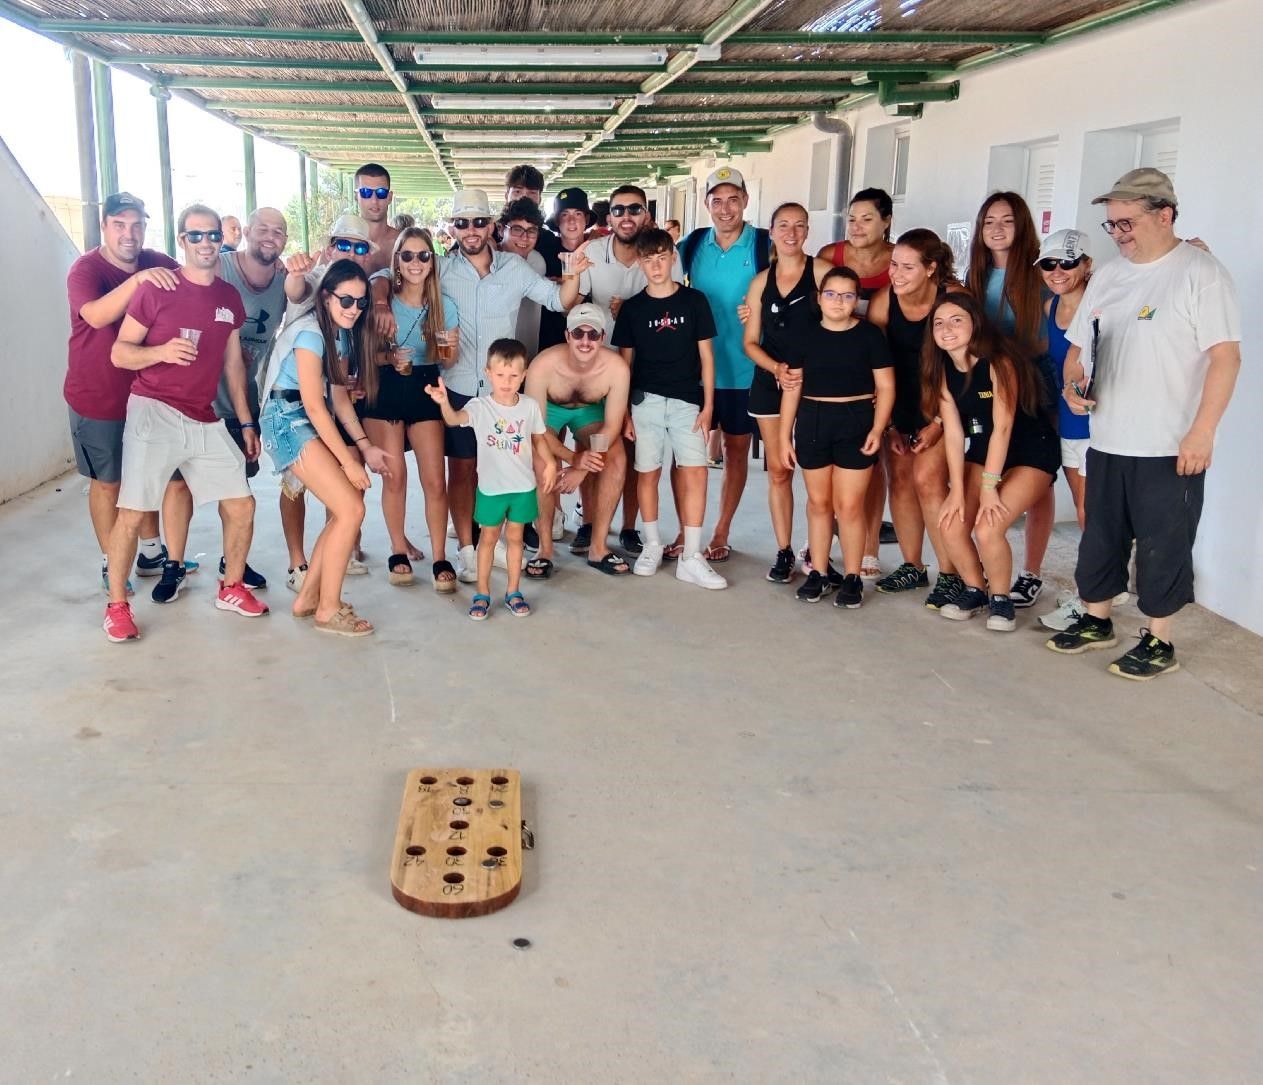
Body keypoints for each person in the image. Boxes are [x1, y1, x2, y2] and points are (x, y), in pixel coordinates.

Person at [1048, 168, 1241, 679]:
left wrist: (1202, 432)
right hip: (1109, 437)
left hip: (1169, 443)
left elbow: (1225, 358)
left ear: (1165, 215)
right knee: (1101, 537)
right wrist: (1072, 387)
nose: (1118, 234)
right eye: (1111, 225)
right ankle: (1097, 620)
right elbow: (1076, 351)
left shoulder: (1201, 273)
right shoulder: (1110, 276)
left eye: (1127, 223)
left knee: (1163, 543)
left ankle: (1160, 640)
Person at [102, 204, 265, 641]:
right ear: (182, 241)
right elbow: (120, 352)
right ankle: (117, 606)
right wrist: (160, 352)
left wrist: (247, 423)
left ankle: (230, 587)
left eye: (213, 235)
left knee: (242, 505)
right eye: (196, 236)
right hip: (153, 409)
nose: (206, 243)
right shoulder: (158, 288)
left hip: (204, 416)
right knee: (134, 513)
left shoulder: (229, 298)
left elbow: (233, 365)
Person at [438, 189, 584, 582]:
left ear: (491, 227)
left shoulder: (514, 269)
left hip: (502, 391)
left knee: (505, 467)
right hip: (459, 384)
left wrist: (575, 273)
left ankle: (494, 539)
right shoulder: (440, 269)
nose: (471, 230)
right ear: (453, 227)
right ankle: (468, 550)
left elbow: (559, 301)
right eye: (462, 222)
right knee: (464, 469)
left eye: (479, 222)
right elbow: (399, 280)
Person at [259, 260, 393, 635]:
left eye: (361, 302)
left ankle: (308, 599)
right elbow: (314, 405)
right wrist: (346, 462)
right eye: (346, 300)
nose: (354, 308)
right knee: (350, 509)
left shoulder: (338, 333)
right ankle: (328, 609)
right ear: (326, 296)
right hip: (286, 420)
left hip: (301, 416)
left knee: (345, 509)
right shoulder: (311, 334)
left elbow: (337, 397)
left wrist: (364, 448)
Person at [64, 191, 181, 595]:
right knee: (109, 482)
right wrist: (138, 280)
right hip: (98, 398)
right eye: (119, 225)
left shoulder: (157, 262)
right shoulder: (85, 270)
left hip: (148, 395)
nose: (129, 234)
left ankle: (150, 553)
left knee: (145, 477)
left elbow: (194, 286)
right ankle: (111, 560)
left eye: (136, 225)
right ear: (104, 227)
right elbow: (95, 315)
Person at [926, 294, 1060, 631]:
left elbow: (1002, 427)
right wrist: (956, 491)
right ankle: (976, 588)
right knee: (951, 524)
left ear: (975, 324)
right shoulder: (942, 369)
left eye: (957, 319)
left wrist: (989, 488)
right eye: (939, 323)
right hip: (984, 450)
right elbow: (954, 435)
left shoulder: (998, 361)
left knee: (988, 526)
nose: (947, 329)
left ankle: (1001, 598)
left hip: (1029, 450)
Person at [613, 228, 726, 590]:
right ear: (641, 263)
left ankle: (691, 555)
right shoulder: (632, 308)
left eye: (663, 257)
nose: (656, 265)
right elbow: (624, 366)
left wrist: (708, 406)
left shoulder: (694, 301)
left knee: (696, 472)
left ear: (673, 257)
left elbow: (707, 358)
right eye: (649, 259)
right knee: (647, 472)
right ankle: (651, 544)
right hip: (644, 400)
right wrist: (625, 413)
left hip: (686, 401)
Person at [576, 184, 684, 556]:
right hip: (597, 367)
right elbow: (572, 305)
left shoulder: (663, 254)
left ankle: (628, 527)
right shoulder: (590, 252)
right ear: (609, 218)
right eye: (619, 211)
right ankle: (589, 523)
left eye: (634, 210)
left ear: (647, 215)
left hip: (646, 369)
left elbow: (675, 301)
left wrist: (636, 310)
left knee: (638, 452)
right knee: (591, 446)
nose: (626, 217)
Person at [779, 267, 894, 609]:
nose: (839, 301)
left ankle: (853, 576)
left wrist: (877, 428)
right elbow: (792, 388)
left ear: (856, 299)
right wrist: (785, 436)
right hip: (813, 420)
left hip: (856, 421)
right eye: (831, 294)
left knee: (849, 506)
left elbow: (886, 387)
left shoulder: (870, 336)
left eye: (847, 295)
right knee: (818, 504)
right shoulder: (804, 335)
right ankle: (818, 572)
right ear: (820, 298)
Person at [965, 191, 1057, 609]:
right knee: (999, 468)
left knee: (1039, 479)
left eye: (1006, 221)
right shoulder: (976, 276)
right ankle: (990, 564)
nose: (997, 229)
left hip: (1037, 385)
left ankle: (1031, 571)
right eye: (989, 222)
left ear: (1022, 227)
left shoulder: (1039, 274)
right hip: (993, 387)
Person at [867, 230, 966, 609]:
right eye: (894, 264)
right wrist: (888, 422)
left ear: (931, 269)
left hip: (946, 407)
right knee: (902, 482)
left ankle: (950, 573)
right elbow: (876, 366)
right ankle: (913, 565)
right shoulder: (882, 302)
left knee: (929, 482)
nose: (897, 273)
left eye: (908, 267)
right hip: (900, 405)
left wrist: (940, 421)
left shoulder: (955, 299)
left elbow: (968, 365)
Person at [678, 167, 771, 565]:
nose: (725, 208)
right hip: (697, 368)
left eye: (733, 199)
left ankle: (721, 530)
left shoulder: (764, 245)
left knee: (735, 451)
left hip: (746, 369)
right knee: (687, 454)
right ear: (707, 205)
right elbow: (655, 275)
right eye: (717, 200)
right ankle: (686, 532)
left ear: (746, 201)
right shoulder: (693, 244)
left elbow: (797, 282)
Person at [284, 212, 384, 582]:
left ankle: (329, 566)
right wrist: (295, 275)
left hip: (327, 400)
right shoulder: (313, 284)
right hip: (292, 408)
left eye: (359, 247)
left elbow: (335, 388)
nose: (352, 252)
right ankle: (299, 564)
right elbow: (295, 291)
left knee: (342, 499)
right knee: (295, 486)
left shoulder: (355, 292)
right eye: (344, 244)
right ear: (329, 247)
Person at [425, 340, 557, 620]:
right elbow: (453, 419)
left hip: (523, 488)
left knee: (516, 539)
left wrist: (550, 463)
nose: (507, 382)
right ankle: (482, 593)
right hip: (491, 489)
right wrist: (444, 403)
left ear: (524, 375)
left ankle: (513, 591)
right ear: (488, 373)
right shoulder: (480, 407)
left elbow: (538, 437)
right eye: (500, 375)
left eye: (513, 376)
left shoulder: (530, 406)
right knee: (487, 539)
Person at [361, 227, 460, 592]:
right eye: (408, 255)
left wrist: (447, 348)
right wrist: (389, 357)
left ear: (432, 262)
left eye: (423, 255)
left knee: (435, 480)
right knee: (395, 477)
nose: (416, 262)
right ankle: (398, 548)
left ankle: (439, 556)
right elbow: (365, 358)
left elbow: (448, 362)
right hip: (386, 388)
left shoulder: (444, 306)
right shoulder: (380, 302)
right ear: (397, 263)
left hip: (426, 388)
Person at [198, 206, 289, 591]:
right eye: (263, 228)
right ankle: (166, 558)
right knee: (178, 486)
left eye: (279, 231)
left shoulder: (285, 279)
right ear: (247, 230)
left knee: (238, 486)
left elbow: (303, 296)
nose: (270, 236)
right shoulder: (219, 268)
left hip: (241, 399)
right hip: (197, 397)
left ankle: (231, 562)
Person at [742, 202, 833, 584]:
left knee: (817, 475)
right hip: (771, 381)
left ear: (808, 231)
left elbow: (843, 324)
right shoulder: (761, 281)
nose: (791, 232)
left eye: (799, 225)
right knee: (779, 470)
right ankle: (783, 550)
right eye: (784, 225)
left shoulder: (824, 273)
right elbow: (751, 341)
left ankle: (818, 549)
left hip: (818, 385)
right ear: (772, 231)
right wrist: (776, 368)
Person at [817, 188, 896, 572]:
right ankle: (821, 541)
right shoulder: (831, 256)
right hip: (835, 369)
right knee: (827, 469)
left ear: (886, 221)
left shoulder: (899, 260)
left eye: (867, 218)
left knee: (872, 458)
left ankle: (869, 548)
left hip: (882, 365)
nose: (857, 226)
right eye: (852, 218)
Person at [524, 303, 632, 578]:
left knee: (617, 458)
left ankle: (598, 547)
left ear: (602, 337)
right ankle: (544, 549)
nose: (585, 341)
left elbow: (612, 426)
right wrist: (572, 458)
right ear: (567, 335)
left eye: (593, 335)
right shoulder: (543, 365)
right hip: (549, 415)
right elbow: (536, 429)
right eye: (578, 334)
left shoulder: (616, 368)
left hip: (590, 413)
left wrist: (582, 468)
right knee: (541, 461)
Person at [538, 188, 595, 351]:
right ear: (556, 220)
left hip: (589, 341)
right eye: (565, 214)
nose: (571, 221)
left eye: (578, 214)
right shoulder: (542, 250)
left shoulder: (597, 251)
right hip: (548, 340)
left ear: (587, 219)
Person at [497, 197, 547, 358]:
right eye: (517, 229)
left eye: (531, 231)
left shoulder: (537, 261)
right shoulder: (486, 260)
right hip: (492, 357)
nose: (524, 238)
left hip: (527, 353)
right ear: (500, 230)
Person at [354, 162, 398, 275]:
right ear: (356, 196)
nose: (374, 200)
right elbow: (316, 284)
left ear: (390, 197)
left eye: (381, 193)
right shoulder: (341, 244)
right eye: (365, 192)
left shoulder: (403, 243)